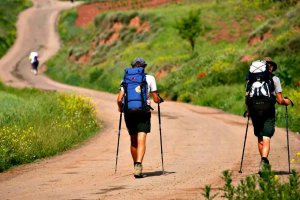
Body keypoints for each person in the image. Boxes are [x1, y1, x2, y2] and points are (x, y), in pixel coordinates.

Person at [246, 57, 292, 175]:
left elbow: (248, 98)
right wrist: (289, 101)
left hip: (255, 111)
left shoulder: (250, 79)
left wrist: (249, 111)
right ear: (270, 67)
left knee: (260, 138)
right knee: (266, 137)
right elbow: (280, 100)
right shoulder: (275, 79)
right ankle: (264, 160)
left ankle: (263, 162)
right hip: (268, 111)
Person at [117, 57, 161, 178]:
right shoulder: (150, 78)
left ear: (132, 67)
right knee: (142, 138)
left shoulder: (126, 78)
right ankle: (139, 164)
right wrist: (158, 99)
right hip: (143, 111)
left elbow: (119, 99)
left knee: (133, 140)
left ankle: (135, 165)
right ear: (144, 67)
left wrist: (120, 109)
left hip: (129, 111)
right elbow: (156, 99)